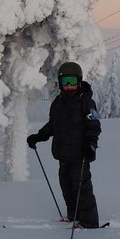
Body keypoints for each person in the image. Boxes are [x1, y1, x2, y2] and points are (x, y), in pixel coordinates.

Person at [26, 61, 101, 228]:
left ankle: (89, 222)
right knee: (67, 187)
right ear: (60, 83)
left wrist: (91, 145)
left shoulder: (87, 103)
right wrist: (38, 137)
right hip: (63, 156)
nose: (68, 86)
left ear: (79, 81)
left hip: (80, 155)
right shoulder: (58, 103)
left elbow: (94, 127)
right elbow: (53, 126)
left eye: (72, 82)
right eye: (65, 82)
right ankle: (73, 216)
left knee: (82, 189)